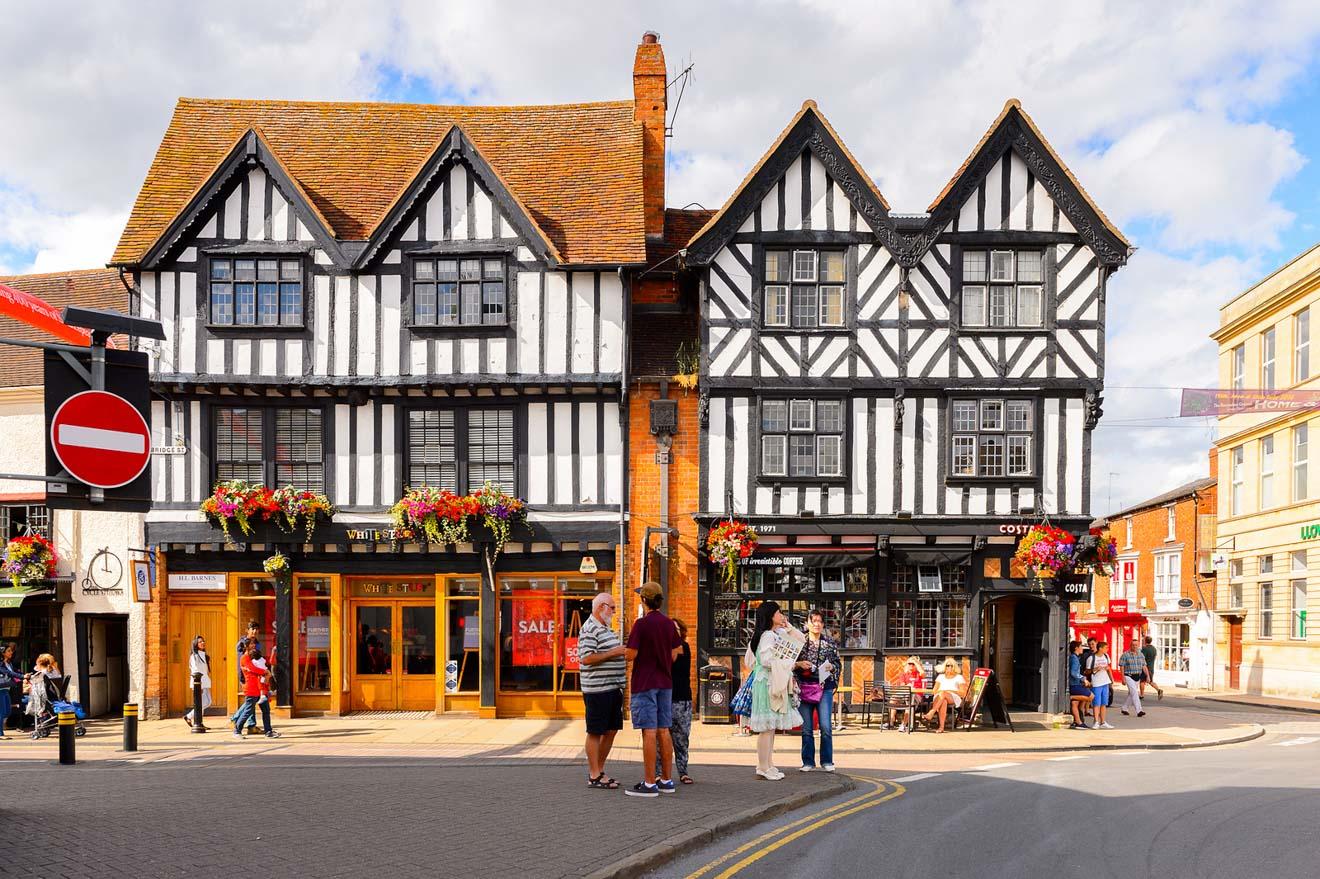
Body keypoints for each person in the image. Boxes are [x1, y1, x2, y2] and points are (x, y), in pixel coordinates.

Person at [623, 581, 681, 797]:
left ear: (644, 600)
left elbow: (631, 654)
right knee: (664, 730)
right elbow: (676, 649)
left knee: (648, 730)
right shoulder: (668, 623)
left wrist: (625, 651)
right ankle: (666, 780)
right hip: (665, 682)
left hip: (644, 682)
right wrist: (664, 659)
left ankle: (649, 784)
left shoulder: (641, 624)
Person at [746, 601, 800, 780]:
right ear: (770, 616)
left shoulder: (775, 633)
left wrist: (788, 626)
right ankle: (763, 766)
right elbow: (766, 660)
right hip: (767, 683)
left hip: (771, 682)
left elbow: (800, 640)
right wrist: (792, 663)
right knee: (766, 728)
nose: (782, 615)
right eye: (778, 612)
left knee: (770, 728)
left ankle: (768, 764)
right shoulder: (768, 635)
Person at [578, 592, 626, 790]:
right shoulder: (589, 628)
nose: (614, 612)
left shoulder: (605, 628)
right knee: (595, 731)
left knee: (611, 730)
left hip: (612, 688)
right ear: (601, 607)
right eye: (612, 608)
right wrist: (614, 652)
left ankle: (600, 769)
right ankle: (594, 774)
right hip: (597, 690)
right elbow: (586, 658)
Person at [795, 609, 840, 771]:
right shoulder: (799, 642)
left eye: (820, 621)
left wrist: (830, 669)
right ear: (807, 623)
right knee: (807, 727)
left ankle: (827, 761)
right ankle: (808, 762)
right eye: (813, 621)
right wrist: (800, 665)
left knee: (826, 727)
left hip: (824, 687)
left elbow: (837, 664)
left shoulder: (829, 642)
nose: (817, 624)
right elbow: (790, 663)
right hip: (804, 686)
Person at [656, 618, 695, 785]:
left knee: (682, 739)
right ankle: (659, 773)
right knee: (660, 739)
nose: (674, 632)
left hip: (682, 699)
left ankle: (683, 772)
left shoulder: (683, 648)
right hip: (664, 698)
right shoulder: (662, 649)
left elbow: (669, 664)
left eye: (676, 629)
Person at [233, 641, 280, 739]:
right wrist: (265, 671)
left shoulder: (252, 656)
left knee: (266, 710)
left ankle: (268, 731)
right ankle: (237, 730)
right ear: (246, 646)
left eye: (254, 644)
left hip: (259, 688)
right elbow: (252, 669)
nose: (253, 645)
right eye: (251, 644)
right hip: (251, 688)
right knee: (248, 710)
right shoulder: (244, 658)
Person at [923, 658, 967, 733]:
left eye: (951, 666)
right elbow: (934, 691)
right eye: (947, 665)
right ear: (945, 666)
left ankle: (932, 712)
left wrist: (949, 691)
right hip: (939, 696)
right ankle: (941, 727)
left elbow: (963, 693)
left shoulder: (959, 677)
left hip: (953, 697)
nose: (949, 667)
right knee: (943, 701)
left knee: (943, 694)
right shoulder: (940, 676)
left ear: (955, 667)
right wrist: (942, 692)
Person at [232, 622, 261, 733]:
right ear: (247, 630)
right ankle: (236, 719)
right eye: (252, 629)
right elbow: (242, 662)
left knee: (253, 700)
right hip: (246, 676)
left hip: (255, 675)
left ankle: (251, 726)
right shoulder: (242, 643)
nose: (254, 631)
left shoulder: (257, 644)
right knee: (251, 700)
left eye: (256, 629)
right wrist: (242, 677)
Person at [888, 657, 927, 731]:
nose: (911, 665)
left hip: (916, 695)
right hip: (905, 693)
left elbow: (923, 674)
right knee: (893, 699)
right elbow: (902, 685)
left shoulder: (919, 674)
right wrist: (907, 686)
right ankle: (891, 722)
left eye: (913, 664)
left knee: (909, 702)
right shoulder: (904, 674)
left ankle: (904, 725)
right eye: (910, 664)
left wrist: (916, 664)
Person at [183, 635, 212, 727]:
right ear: (196, 644)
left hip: (205, 681)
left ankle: (199, 722)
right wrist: (199, 684)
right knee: (205, 702)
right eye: (200, 642)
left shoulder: (204, 655)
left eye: (203, 641)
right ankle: (189, 716)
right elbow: (195, 670)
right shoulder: (194, 656)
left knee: (205, 702)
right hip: (199, 683)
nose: (202, 643)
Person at [1087, 641, 1115, 729]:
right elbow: (1087, 671)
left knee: (1104, 703)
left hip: (1105, 682)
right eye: (1106, 648)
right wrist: (1095, 669)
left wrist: (1111, 679)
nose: (1107, 649)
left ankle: (1103, 721)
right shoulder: (1091, 658)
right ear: (1100, 648)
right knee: (1096, 703)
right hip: (1096, 683)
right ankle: (1096, 722)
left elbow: (1108, 668)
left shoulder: (1106, 656)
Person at [1067, 640, 1093, 729]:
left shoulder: (1074, 657)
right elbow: (1073, 673)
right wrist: (1083, 679)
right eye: (1081, 647)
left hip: (1075, 683)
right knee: (1091, 696)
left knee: (1075, 704)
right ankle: (1070, 697)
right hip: (1075, 684)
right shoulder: (1074, 658)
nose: (1082, 648)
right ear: (1076, 648)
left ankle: (1078, 722)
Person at [1118, 641, 1148, 718]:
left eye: (1136, 645)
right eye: (1133, 645)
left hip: (1137, 676)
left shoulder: (1141, 654)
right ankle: (1139, 710)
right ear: (1130, 645)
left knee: (1132, 694)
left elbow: (1144, 666)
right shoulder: (1125, 654)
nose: (1135, 646)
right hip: (1128, 675)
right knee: (1135, 692)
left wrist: (1148, 676)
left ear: (1138, 646)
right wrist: (1123, 678)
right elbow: (1122, 666)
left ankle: (1124, 708)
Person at [0, 643, 20, 738]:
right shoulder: (1, 664)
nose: (11, 652)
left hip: (6, 689)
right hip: (0, 689)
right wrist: (23, 676)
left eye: (11, 650)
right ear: (3, 653)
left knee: (7, 711)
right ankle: (0, 734)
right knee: (2, 711)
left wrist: (24, 676)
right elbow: (9, 673)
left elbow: (14, 672)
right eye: (8, 651)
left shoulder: (9, 663)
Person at [1140, 635, 1165, 701]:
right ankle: (1158, 690)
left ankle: (1142, 695)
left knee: (1142, 681)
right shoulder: (1154, 648)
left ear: (1145, 641)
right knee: (1150, 681)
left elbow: (1142, 658)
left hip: (1145, 667)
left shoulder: (1145, 649)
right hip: (1151, 667)